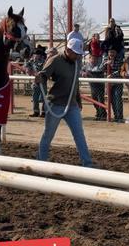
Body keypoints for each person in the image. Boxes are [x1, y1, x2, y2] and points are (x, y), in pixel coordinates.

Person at [35, 38, 92, 167]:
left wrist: (78, 100)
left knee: (79, 135)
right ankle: (41, 161)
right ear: (68, 50)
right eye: (75, 53)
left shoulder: (77, 62)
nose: (77, 56)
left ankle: (87, 164)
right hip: (55, 104)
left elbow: (75, 83)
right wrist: (40, 78)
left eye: (79, 53)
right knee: (48, 135)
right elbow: (44, 75)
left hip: (71, 105)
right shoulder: (55, 60)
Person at [100, 47, 124, 122]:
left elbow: (120, 70)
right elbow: (100, 68)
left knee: (117, 98)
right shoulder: (105, 59)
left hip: (117, 82)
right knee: (111, 100)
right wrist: (105, 64)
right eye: (110, 52)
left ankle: (119, 116)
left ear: (116, 53)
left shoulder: (119, 60)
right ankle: (115, 115)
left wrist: (112, 75)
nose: (111, 54)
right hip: (109, 83)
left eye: (113, 52)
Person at [82, 54, 106, 121]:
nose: (93, 60)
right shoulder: (87, 65)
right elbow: (81, 70)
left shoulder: (99, 65)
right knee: (94, 100)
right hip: (92, 86)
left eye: (95, 59)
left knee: (100, 100)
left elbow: (98, 70)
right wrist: (83, 73)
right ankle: (98, 113)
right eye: (92, 59)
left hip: (99, 86)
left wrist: (88, 73)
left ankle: (102, 115)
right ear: (89, 59)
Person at [25, 48, 46, 117]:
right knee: (35, 97)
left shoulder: (43, 61)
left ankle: (44, 112)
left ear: (40, 55)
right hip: (35, 81)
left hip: (42, 81)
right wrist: (28, 70)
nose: (35, 56)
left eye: (37, 54)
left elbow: (46, 69)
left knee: (44, 97)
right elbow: (27, 67)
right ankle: (36, 111)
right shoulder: (31, 61)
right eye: (34, 54)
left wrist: (40, 73)